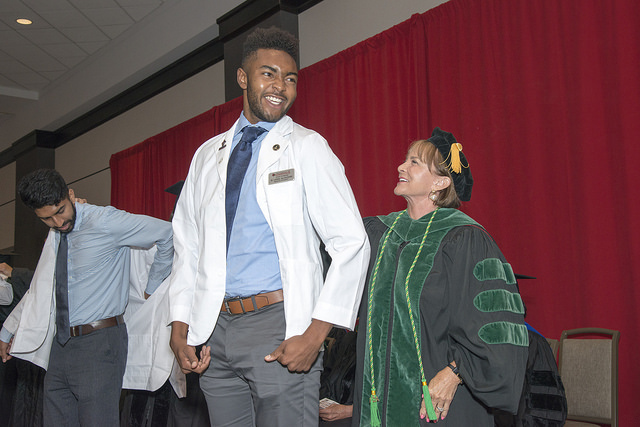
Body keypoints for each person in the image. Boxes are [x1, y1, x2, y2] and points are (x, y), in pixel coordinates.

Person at [168, 26, 369, 426]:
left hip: (278, 325)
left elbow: (352, 243)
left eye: (290, 78)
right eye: (268, 73)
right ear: (242, 78)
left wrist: (313, 336)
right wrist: (179, 326)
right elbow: (187, 246)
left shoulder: (308, 146)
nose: (281, 86)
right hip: (213, 329)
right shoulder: (207, 155)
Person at [352, 128, 529, 426]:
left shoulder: (465, 240)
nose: (401, 167)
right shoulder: (379, 234)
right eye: (405, 160)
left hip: (439, 400)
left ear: (441, 182)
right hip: (376, 400)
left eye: (414, 163)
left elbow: (495, 329)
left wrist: (456, 372)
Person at [0, 169, 173, 427]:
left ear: (70, 194)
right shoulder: (56, 235)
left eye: (60, 210)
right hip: (59, 346)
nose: (58, 223)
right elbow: (43, 287)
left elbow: (167, 233)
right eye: (47, 219)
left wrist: (153, 284)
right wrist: (7, 330)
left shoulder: (105, 221)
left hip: (99, 343)